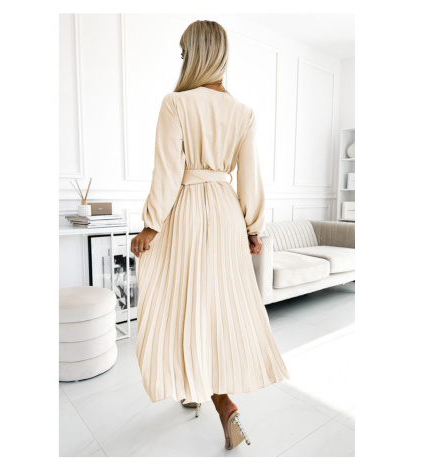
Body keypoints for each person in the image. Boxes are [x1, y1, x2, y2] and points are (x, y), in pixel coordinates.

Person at [131, 20, 290, 451]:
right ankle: (210, 394)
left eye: (185, 53)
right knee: (218, 305)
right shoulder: (243, 113)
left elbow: (167, 172)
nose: (183, 61)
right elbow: (250, 178)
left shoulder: (175, 103)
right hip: (224, 212)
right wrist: (252, 227)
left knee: (183, 301)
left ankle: (211, 395)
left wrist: (150, 226)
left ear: (197, 55)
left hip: (184, 209)